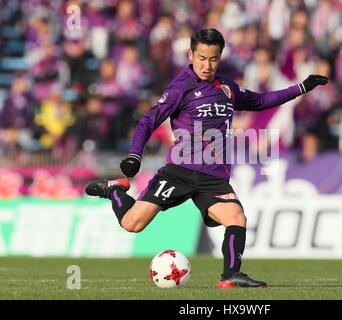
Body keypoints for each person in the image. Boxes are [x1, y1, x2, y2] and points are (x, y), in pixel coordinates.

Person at [85, 28, 328, 288]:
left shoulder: (226, 87)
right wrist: (135, 154)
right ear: (191, 54)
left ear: (220, 57)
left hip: (213, 178)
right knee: (132, 224)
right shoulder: (181, 87)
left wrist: (302, 87)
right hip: (179, 171)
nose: (207, 65)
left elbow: (260, 101)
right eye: (201, 58)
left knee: (236, 218)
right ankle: (116, 191)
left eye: (213, 59)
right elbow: (148, 120)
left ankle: (231, 276)